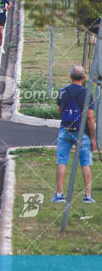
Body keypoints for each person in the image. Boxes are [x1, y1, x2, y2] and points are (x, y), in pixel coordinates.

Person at [51, 65, 96, 203]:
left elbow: (60, 111)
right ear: (84, 77)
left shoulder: (62, 91)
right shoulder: (87, 93)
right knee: (85, 163)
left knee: (62, 161)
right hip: (81, 132)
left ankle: (59, 194)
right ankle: (87, 195)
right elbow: (90, 117)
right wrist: (93, 138)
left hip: (65, 130)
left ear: (70, 77)